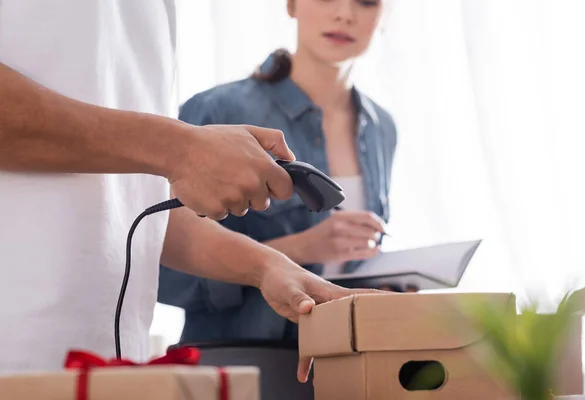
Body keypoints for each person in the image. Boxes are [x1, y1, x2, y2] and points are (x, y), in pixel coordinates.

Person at [0, 0, 377, 381]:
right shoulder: (221, 105)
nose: (344, 12)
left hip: (112, 361)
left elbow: (133, 205)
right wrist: (177, 147)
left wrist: (268, 266)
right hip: (15, 348)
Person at [158, 0, 397, 345]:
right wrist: (298, 249)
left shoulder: (382, 129)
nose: (345, 13)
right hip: (243, 364)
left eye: (366, 2)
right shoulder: (219, 109)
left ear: (386, 14)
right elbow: (162, 271)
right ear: (291, 5)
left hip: (343, 358)